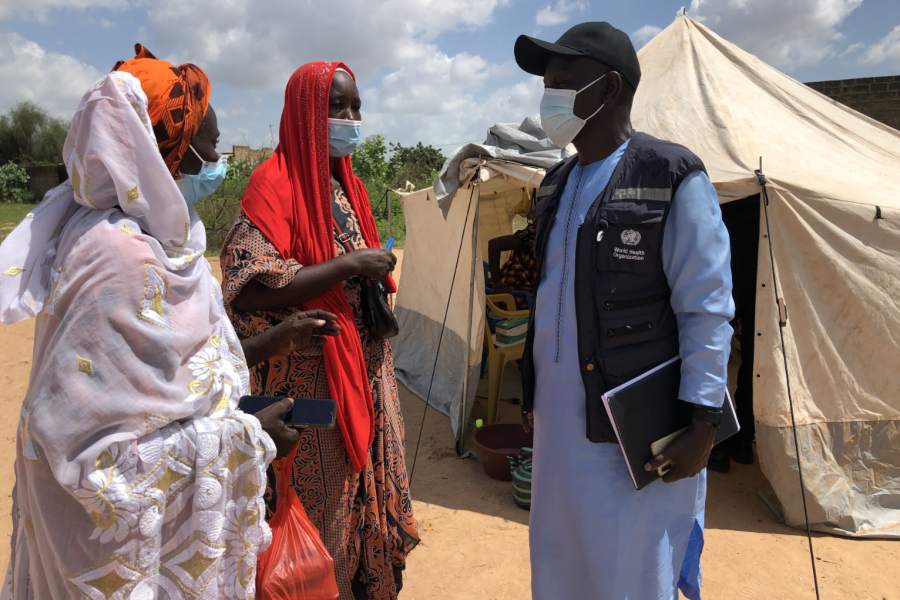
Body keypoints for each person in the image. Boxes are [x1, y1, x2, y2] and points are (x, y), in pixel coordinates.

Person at [0, 45, 340, 599]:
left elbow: (158, 380)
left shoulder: (157, 246)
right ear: (165, 152)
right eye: (208, 144)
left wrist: (267, 344)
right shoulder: (117, 257)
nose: (217, 159)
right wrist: (246, 439)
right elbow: (88, 462)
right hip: (114, 563)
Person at [514, 22, 734, 599]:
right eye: (546, 83)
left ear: (609, 89)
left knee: (630, 572)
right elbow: (548, 299)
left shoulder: (671, 176)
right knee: (559, 563)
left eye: (563, 82)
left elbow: (706, 310)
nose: (548, 95)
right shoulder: (555, 183)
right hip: (560, 430)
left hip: (630, 434)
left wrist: (703, 424)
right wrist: (534, 392)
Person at [220, 62, 418, 600]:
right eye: (337, 107)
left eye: (355, 107)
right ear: (307, 112)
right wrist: (351, 264)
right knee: (319, 518)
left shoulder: (346, 183)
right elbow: (245, 282)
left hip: (364, 370)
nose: (350, 118)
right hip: (310, 377)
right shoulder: (275, 183)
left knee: (359, 506)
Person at [487, 198, 537, 310]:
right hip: (514, 290)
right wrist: (497, 284)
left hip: (526, 289)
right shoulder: (533, 235)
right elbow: (494, 244)